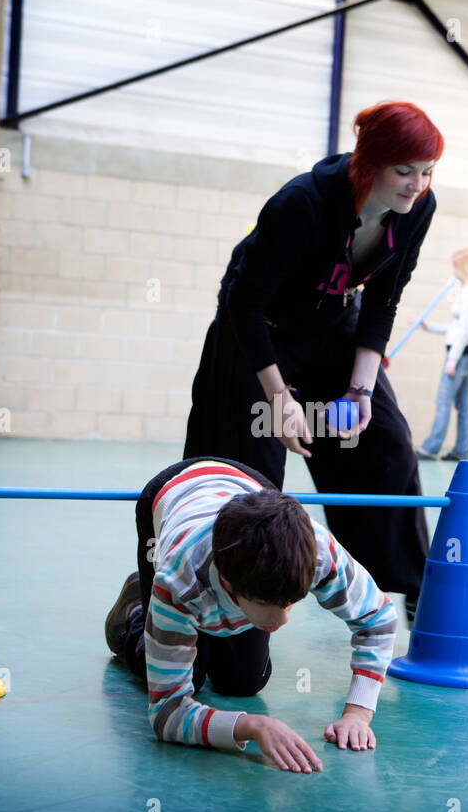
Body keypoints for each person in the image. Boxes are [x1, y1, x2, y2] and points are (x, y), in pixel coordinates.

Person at [183, 100, 442, 627]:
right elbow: (244, 304)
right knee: (252, 477)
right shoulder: (301, 203)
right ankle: (226, 604)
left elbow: (383, 300)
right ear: (370, 163)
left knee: (387, 444)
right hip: (256, 335)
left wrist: (361, 392)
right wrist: (281, 400)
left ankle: (412, 587)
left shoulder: (419, 209)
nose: (417, 184)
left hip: (331, 328)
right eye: (404, 171)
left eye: (427, 171)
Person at [104, 457, 398, 774]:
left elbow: (378, 619)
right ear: (229, 584)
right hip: (169, 493)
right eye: (270, 604)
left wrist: (357, 713)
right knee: (191, 675)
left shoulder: (314, 552)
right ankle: (137, 609)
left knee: (245, 682)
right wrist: (252, 725)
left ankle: (214, 625)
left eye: (291, 602)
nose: (283, 620)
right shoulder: (178, 582)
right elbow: (167, 713)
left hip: (251, 491)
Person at [415, 248, 468, 461]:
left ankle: (430, 447)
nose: (454, 271)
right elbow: (456, 326)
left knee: (443, 400)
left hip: (462, 354)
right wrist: (429, 327)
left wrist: (452, 360)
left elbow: (464, 332)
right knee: (462, 403)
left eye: (456, 267)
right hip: (462, 352)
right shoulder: (466, 290)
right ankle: (462, 450)